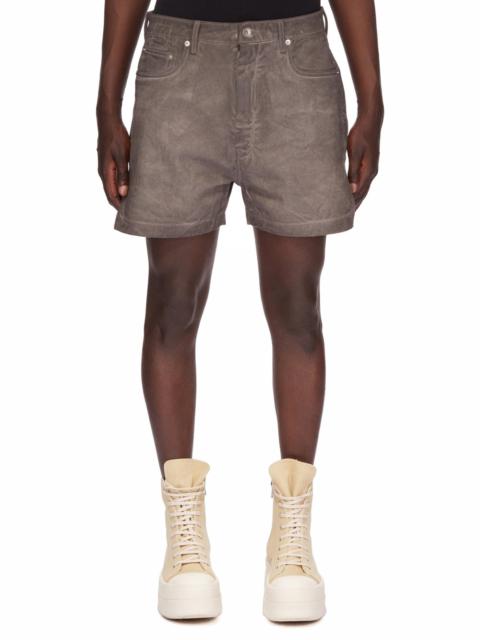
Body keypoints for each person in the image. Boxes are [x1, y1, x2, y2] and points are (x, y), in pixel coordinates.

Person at [96, 0, 383, 623]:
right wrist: (106, 106)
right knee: (173, 302)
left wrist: (373, 101)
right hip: (178, 65)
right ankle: (185, 542)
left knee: (298, 307)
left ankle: (292, 541)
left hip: (296, 65)